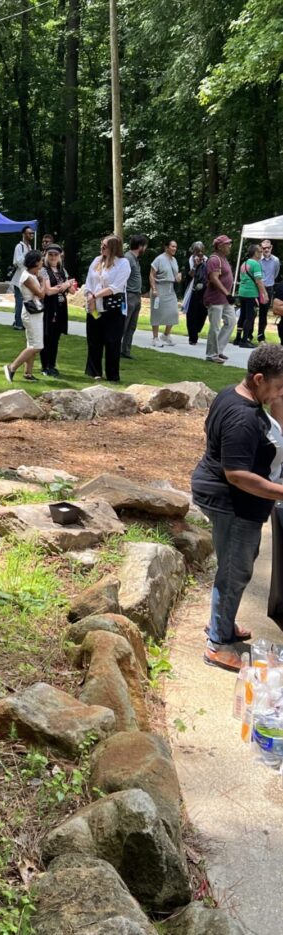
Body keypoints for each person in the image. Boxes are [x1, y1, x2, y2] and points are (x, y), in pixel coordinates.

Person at [192, 344, 283, 671]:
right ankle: (217, 644)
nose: (280, 393)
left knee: (234, 566)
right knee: (235, 571)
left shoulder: (233, 393)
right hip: (232, 503)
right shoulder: (243, 419)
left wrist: (276, 401)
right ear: (259, 378)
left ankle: (223, 623)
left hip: (228, 499)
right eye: (278, 386)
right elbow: (238, 475)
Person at [84, 234, 131, 382]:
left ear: (113, 248)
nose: (101, 248)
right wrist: (89, 297)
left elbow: (115, 287)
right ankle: (94, 372)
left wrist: (95, 296)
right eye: (101, 245)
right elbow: (89, 281)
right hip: (95, 306)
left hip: (113, 308)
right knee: (94, 340)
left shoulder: (123, 263)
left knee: (112, 341)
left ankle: (112, 375)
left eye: (105, 246)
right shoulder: (97, 261)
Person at [3, 250, 46, 383]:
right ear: (35, 262)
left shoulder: (31, 275)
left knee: (31, 343)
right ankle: (11, 367)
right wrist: (43, 281)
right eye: (40, 260)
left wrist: (39, 277)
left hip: (35, 312)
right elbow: (41, 294)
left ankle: (28, 373)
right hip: (30, 313)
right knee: (37, 346)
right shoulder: (27, 277)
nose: (42, 262)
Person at [40, 244, 72, 377]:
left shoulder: (62, 271)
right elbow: (48, 291)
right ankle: (45, 366)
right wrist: (64, 285)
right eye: (50, 254)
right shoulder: (43, 271)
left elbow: (72, 289)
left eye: (56, 255)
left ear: (60, 256)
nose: (53, 257)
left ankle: (52, 364)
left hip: (61, 307)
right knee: (47, 336)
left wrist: (69, 285)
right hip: (49, 307)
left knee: (56, 337)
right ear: (46, 255)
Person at [204, 235, 237, 363]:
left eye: (229, 243)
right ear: (219, 246)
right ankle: (211, 355)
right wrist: (227, 293)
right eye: (227, 244)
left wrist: (227, 295)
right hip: (216, 298)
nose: (230, 246)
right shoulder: (214, 259)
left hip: (225, 299)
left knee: (231, 321)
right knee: (215, 327)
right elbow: (214, 278)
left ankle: (219, 350)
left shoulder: (224, 259)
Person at [149, 238, 181, 347]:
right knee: (157, 313)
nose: (174, 248)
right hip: (159, 288)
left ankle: (166, 335)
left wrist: (178, 278)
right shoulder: (159, 259)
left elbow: (175, 276)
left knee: (174, 313)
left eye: (175, 247)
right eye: (172, 246)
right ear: (166, 247)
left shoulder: (174, 260)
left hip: (170, 288)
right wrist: (154, 289)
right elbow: (151, 275)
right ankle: (155, 338)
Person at [235, 243, 267, 348]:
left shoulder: (244, 263)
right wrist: (264, 293)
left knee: (242, 315)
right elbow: (258, 281)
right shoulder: (256, 264)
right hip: (251, 294)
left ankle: (238, 338)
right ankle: (245, 340)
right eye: (260, 251)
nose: (261, 253)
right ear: (255, 253)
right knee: (250, 317)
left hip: (242, 292)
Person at [121, 234, 148, 359]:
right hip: (129, 295)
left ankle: (126, 351)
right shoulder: (128, 258)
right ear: (140, 246)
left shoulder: (135, 259)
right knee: (124, 325)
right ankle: (115, 349)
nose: (146, 248)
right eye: (145, 246)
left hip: (136, 296)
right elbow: (122, 278)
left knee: (132, 326)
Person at [11, 226, 35, 330]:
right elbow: (18, 262)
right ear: (24, 234)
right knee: (19, 303)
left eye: (32, 233)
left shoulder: (30, 248)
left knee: (27, 302)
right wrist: (28, 259)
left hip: (28, 280)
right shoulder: (19, 247)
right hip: (19, 280)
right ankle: (18, 324)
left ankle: (22, 322)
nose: (31, 235)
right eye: (29, 233)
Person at [184, 242, 208, 345]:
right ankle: (192, 337)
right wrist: (195, 266)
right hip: (193, 290)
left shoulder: (208, 260)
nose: (200, 253)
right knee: (191, 314)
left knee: (203, 313)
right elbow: (189, 276)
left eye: (201, 251)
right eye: (197, 251)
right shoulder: (189, 261)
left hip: (205, 291)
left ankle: (196, 330)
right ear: (193, 251)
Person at [257, 239, 280, 343]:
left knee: (263, 313)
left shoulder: (276, 260)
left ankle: (260, 336)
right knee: (252, 312)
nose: (266, 250)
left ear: (271, 247)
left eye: (268, 247)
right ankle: (247, 335)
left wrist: (269, 282)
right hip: (257, 288)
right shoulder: (257, 260)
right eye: (264, 248)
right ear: (261, 248)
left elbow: (275, 273)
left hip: (269, 288)